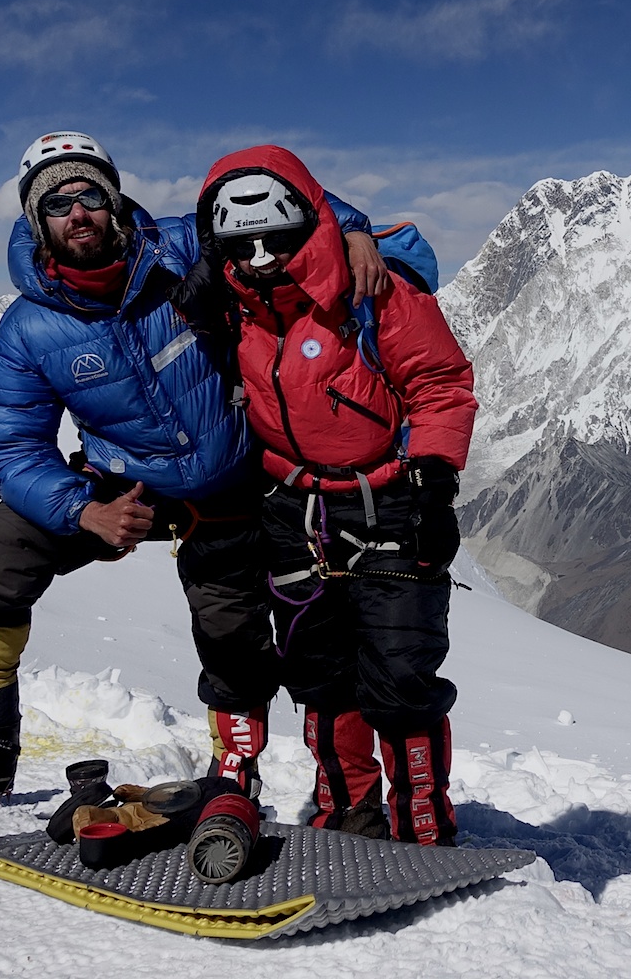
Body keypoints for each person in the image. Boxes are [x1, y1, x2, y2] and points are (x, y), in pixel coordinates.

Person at [0, 131, 387, 800]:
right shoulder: (29, 329)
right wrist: (84, 509)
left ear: (113, 201)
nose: (76, 213)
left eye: (88, 196)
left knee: (234, 631)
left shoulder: (186, 247)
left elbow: (282, 201)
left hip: (238, 474)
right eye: (56, 204)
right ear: (37, 223)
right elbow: (6, 451)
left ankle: (237, 768)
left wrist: (355, 230)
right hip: (125, 487)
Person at [177, 144, 474, 845]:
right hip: (292, 508)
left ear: (304, 225)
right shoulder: (232, 304)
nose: (259, 256)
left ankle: (419, 823)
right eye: (241, 242)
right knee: (319, 672)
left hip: (389, 504)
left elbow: (439, 384)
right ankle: (347, 811)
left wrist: (434, 476)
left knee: (401, 675)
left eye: (274, 238)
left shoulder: (372, 291)